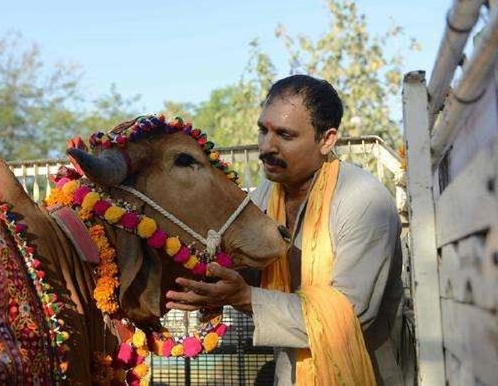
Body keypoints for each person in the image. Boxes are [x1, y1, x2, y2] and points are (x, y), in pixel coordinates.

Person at [166, 75, 403, 385]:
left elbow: (351, 315)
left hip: (364, 373)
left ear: (326, 140)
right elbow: (244, 267)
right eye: (263, 130)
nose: (266, 146)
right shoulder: (261, 200)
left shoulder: (364, 200)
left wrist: (246, 298)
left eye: (285, 135)